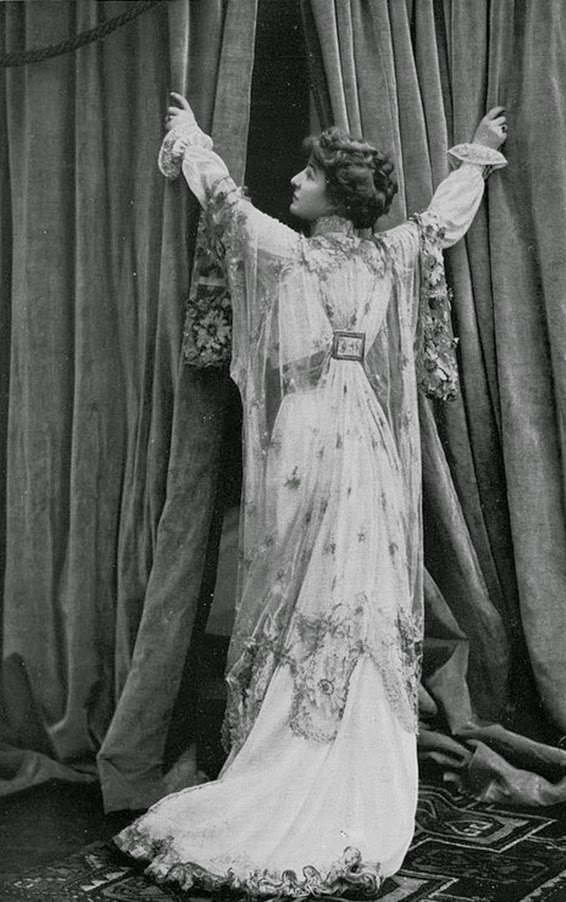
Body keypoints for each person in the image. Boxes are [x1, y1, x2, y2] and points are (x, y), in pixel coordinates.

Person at [114, 93, 507, 897]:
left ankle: (315, 757)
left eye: (309, 173)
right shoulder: (387, 256)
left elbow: (224, 199)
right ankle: (333, 750)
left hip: (311, 432)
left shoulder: (291, 256)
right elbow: (441, 221)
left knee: (322, 588)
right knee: (342, 585)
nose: (295, 181)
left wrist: (190, 137)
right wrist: (474, 155)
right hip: (364, 435)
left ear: (337, 194)